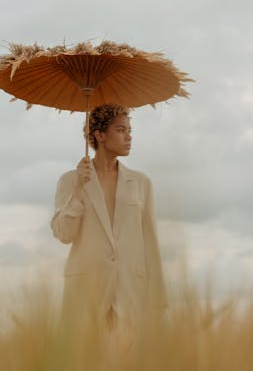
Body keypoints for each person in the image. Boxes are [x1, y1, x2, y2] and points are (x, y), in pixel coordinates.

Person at [50, 103, 167, 342]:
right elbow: (63, 234)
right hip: (86, 288)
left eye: (130, 131)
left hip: (129, 289)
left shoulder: (141, 183)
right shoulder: (71, 180)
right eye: (121, 130)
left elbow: (150, 241)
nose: (129, 137)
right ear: (100, 135)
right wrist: (78, 191)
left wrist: (158, 299)